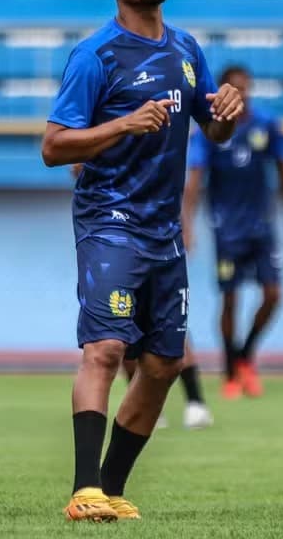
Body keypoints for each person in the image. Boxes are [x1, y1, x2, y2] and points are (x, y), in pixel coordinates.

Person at [42, 0, 242, 523]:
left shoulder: (186, 50)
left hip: (163, 233)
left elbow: (216, 129)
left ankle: (111, 487)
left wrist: (227, 110)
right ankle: (83, 490)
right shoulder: (95, 56)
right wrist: (123, 126)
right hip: (110, 221)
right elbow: (54, 146)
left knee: (164, 365)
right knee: (104, 349)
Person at [181, 65, 283, 400]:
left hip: (262, 226)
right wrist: (187, 224)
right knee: (231, 298)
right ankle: (229, 371)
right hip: (227, 230)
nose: (242, 93)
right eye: (235, 87)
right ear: (224, 91)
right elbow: (194, 181)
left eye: (246, 87)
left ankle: (245, 356)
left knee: (273, 294)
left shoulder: (265, 124)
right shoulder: (210, 131)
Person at [70, 164, 214, 431]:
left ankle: (195, 401)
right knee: (119, 330)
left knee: (171, 328)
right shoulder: (111, 132)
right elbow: (76, 166)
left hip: (156, 239)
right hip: (114, 242)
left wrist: (185, 227)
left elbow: (169, 183)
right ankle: (144, 403)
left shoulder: (157, 137)